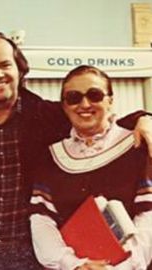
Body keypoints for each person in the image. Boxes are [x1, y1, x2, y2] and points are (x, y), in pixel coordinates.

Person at [0, 33, 152, 270]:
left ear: (19, 69)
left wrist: (144, 118)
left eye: (5, 65)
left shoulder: (49, 116)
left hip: (35, 256)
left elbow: (96, 122)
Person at [30, 65, 152, 270]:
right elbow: (41, 220)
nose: (84, 104)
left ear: (110, 101)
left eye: (94, 95)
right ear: (64, 106)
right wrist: (73, 264)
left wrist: (123, 267)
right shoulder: (52, 156)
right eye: (73, 97)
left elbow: (149, 216)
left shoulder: (138, 146)